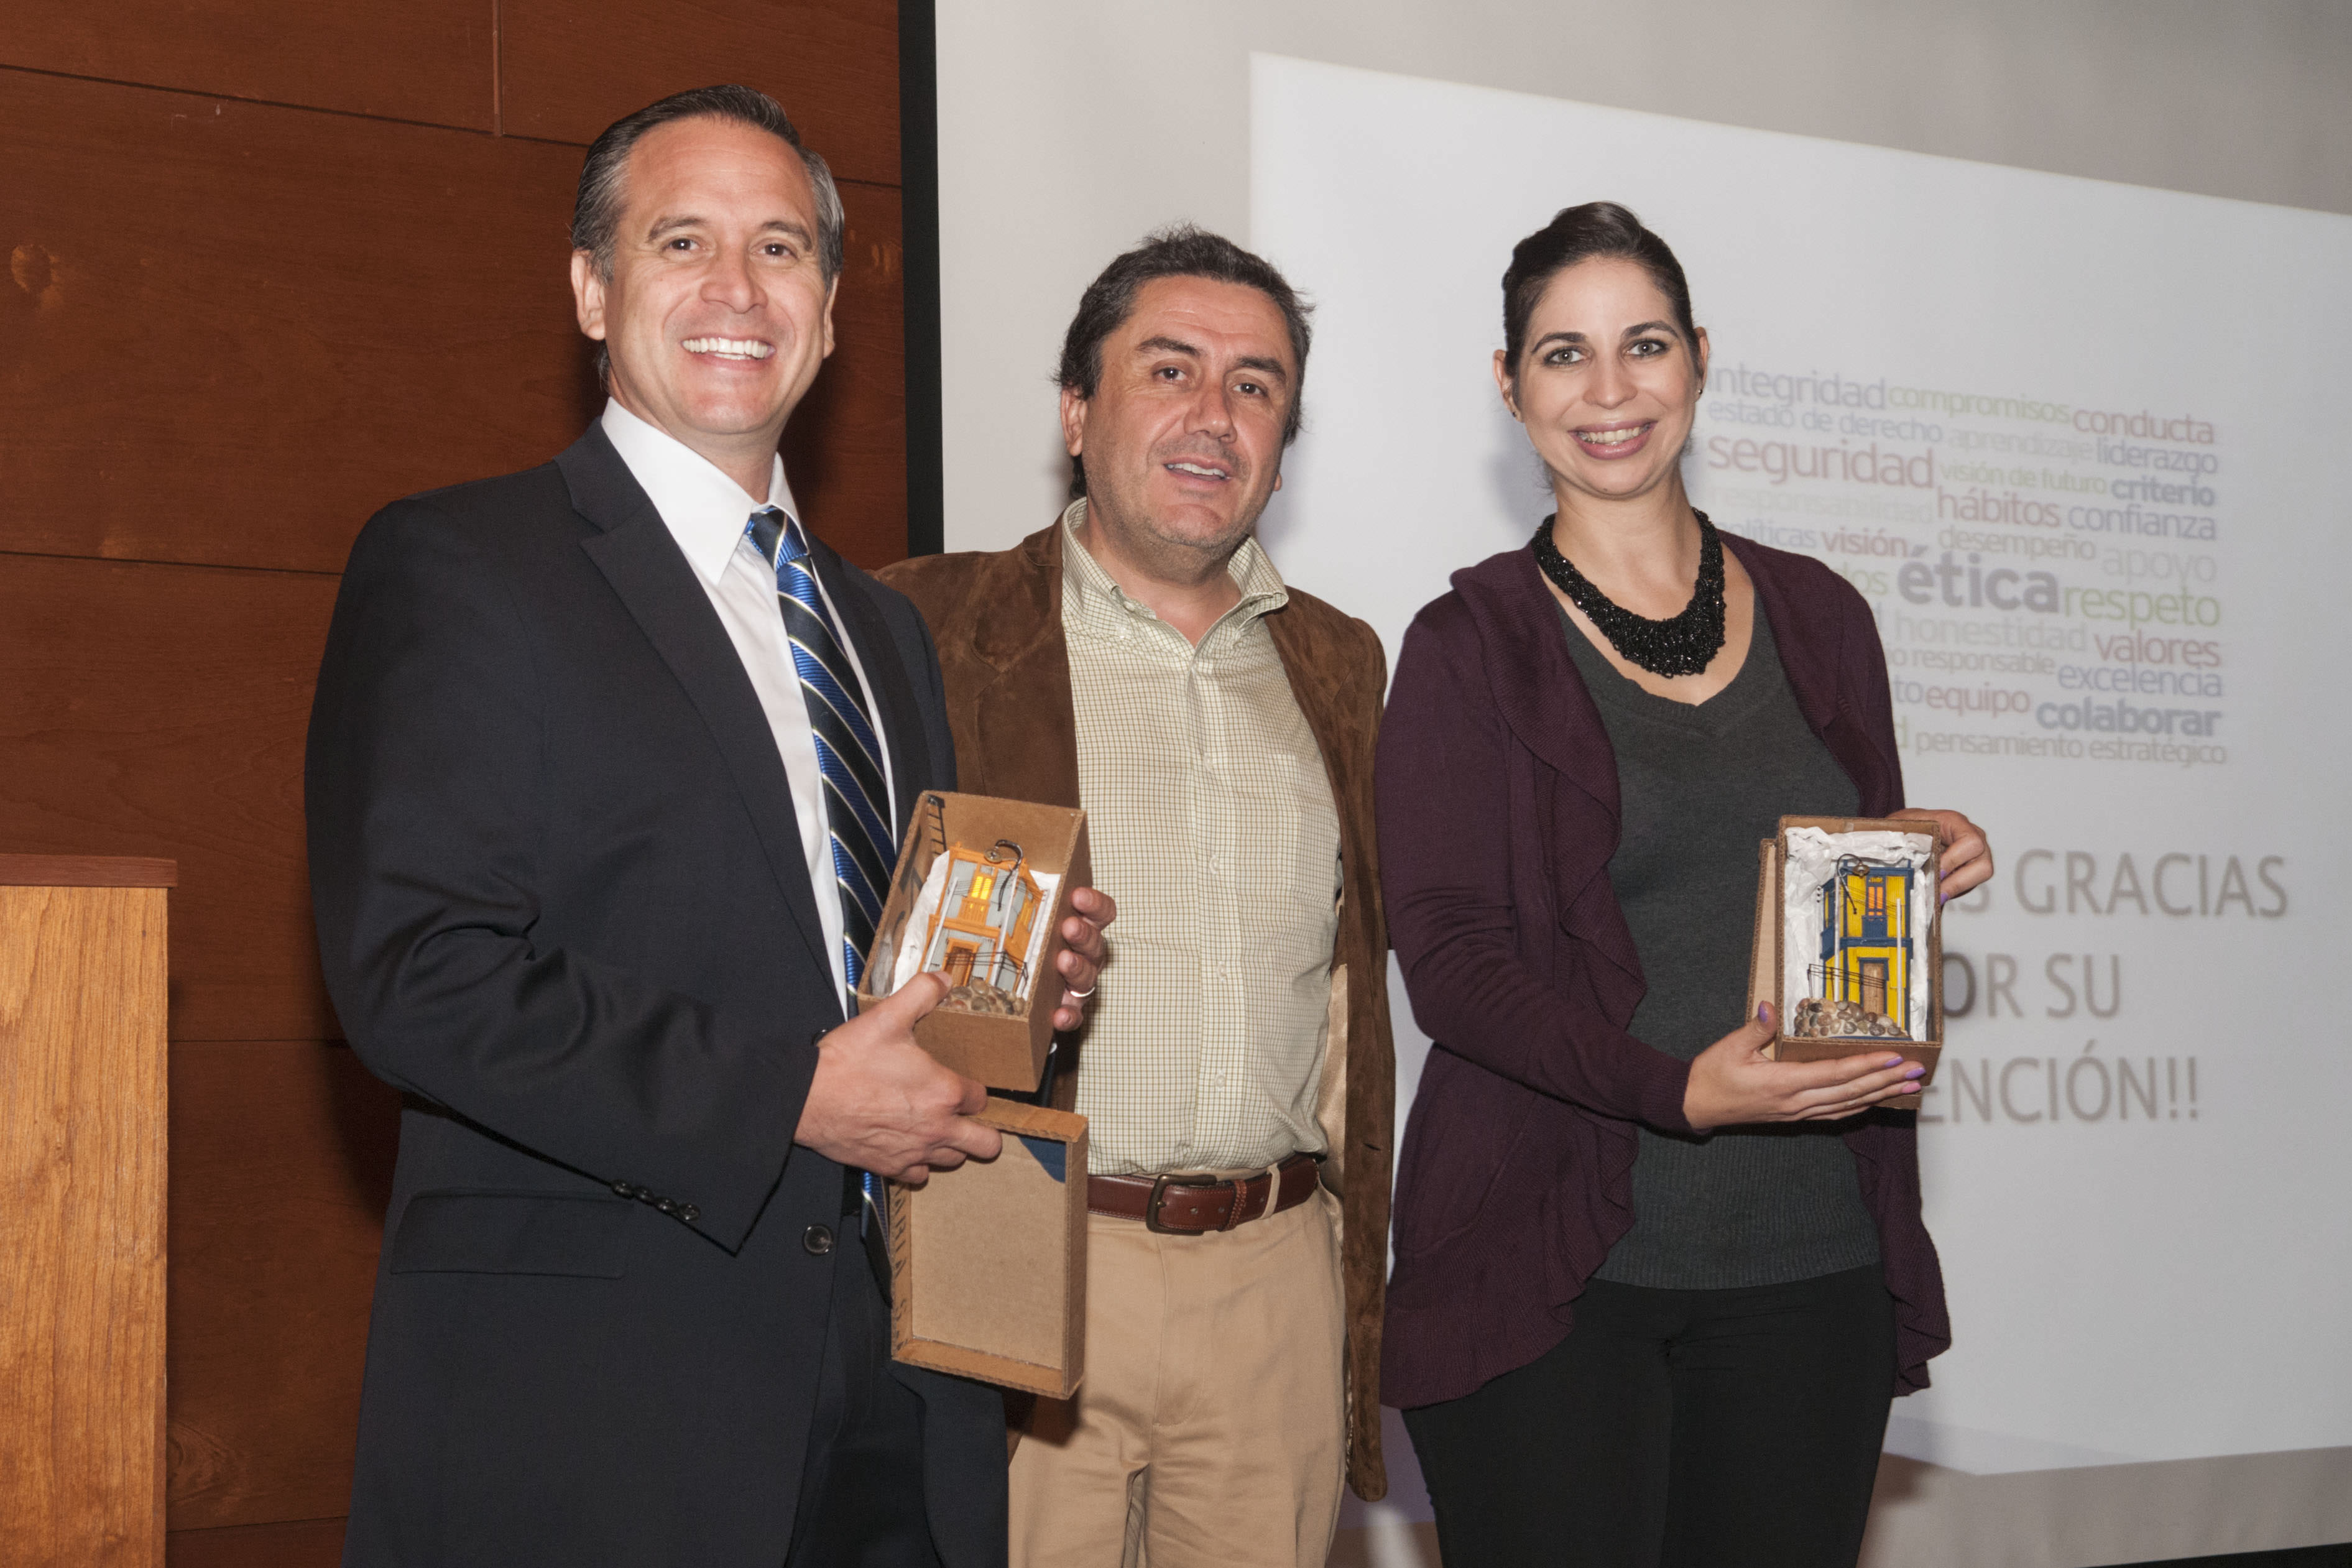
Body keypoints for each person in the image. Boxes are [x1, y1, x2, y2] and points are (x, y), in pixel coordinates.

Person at [304, 85, 1110, 1568]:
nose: (738, 288)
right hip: (608, 1403)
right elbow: (419, 975)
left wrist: (1002, 1000)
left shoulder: (879, 628)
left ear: (828, 310)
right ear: (591, 291)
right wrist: (786, 1095)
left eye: (781, 248)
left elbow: (864, 982)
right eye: (682, 242)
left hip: (902, 1381)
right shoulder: (463, 564)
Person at [1375, 202, 1993, 1567]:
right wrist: (1679, 1091)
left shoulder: (1825, 615)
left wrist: (1910, 857)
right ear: (1509, 385)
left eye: (1644, 345)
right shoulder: (1467, 643)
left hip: (1809, 1258)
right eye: (1563, 354)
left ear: (1699, 359)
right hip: (1553, 1277)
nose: (1610, 390)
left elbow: (1833, 901)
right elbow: (1453, 965)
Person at [879, 226, 1394, 1568]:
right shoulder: (924, 626)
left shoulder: (1341, 664)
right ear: (1075, 410)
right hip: (1017, 1251)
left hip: (1274, 1279)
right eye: (1169, 370)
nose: (1213, 415)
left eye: (1254, 385)